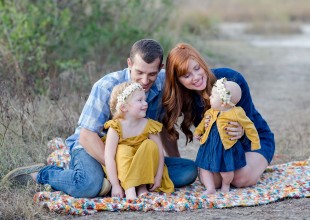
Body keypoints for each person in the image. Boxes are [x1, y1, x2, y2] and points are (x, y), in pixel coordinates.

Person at [2, 39, 197, 198]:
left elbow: (161, 127)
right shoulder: (106, 86)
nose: (145, 81)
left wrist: (169, 162)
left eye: (151, 74)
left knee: (187, 171)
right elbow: (86, 136)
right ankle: (43, 174)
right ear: (129, 64)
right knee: (88, 186)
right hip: (95, 147)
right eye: (139, 72)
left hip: (136, 153)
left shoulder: (163, 83)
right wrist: (120, 172)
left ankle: (114, 182)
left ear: (160, 68)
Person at [162, 43, 275, 189]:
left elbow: (249, 122)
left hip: (251, 142)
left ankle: (256, 163)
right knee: (211, 182)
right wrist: (176, 158)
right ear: (177, 79)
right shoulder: (181, 96)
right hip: (218, 149)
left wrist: (241, 131)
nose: (196, 77)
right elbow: (165, 126)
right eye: (186, 75)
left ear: (202, 63)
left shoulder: (230, 80)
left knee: (240, 179)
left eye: (197, 68)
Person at [103, 82, 174, 199]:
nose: (145, 103)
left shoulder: (149, 125)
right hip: (123, 168)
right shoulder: (115, 127)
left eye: (145, 100)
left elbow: (159, 153)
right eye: (139, 100)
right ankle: (129, 188)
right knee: (123, 150)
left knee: (150, 145)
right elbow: (109, 157)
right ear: (124, 107)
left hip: (146, 168)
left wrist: (158, 176)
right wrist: (115, 185)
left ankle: (142, 186)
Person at [194, 77, 261, 194]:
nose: (209, 97)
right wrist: (198, 132)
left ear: (223, 102)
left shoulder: (236, 112)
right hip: (209, 146)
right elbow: (202, 124)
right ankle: (210, 188)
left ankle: (226, 184)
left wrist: (255, 143)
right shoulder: (210, 112)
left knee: (227, 169)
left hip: (227, 148)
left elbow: (249, 127)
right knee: (204, 167)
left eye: (213, 96)